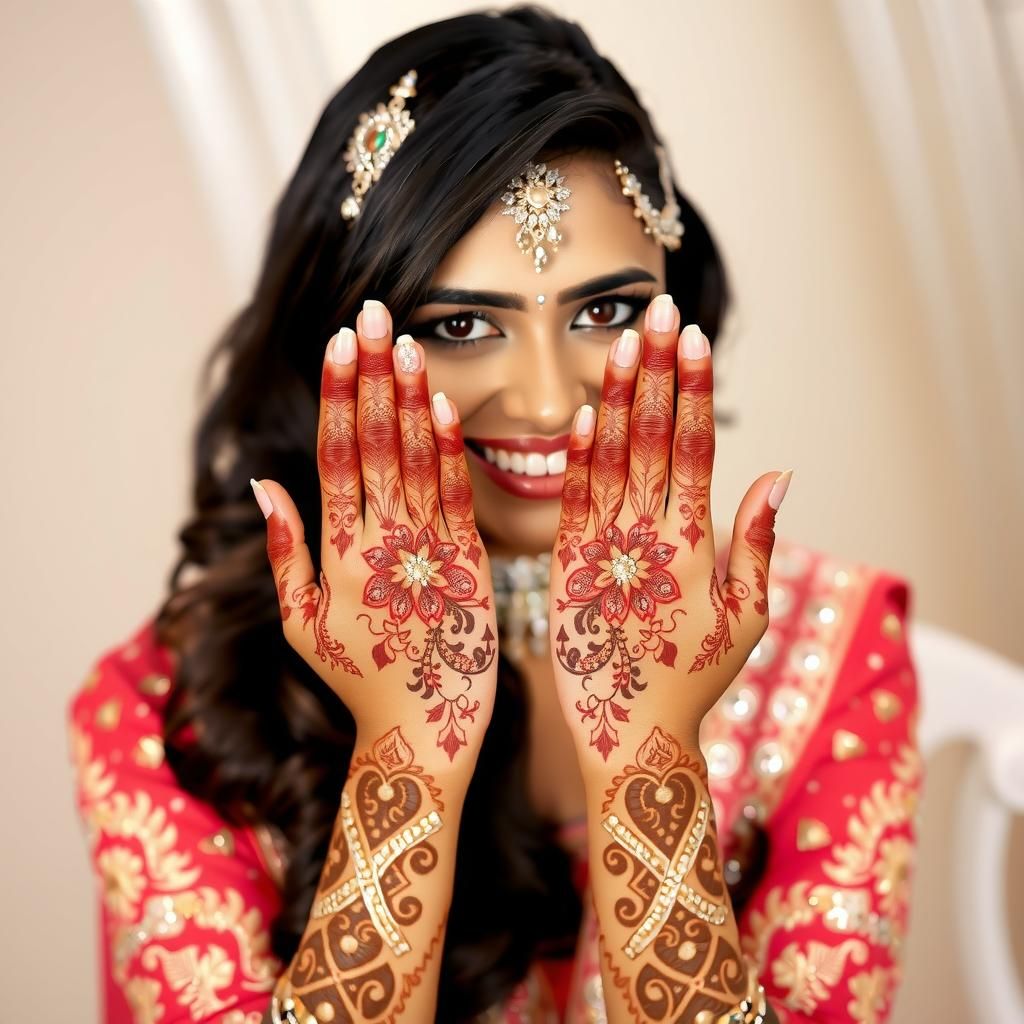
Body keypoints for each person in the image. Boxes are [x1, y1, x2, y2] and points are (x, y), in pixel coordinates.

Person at [69, 7, 921, 1022]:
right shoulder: (168, 710)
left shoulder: (832, 648)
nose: (551, 401)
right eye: (462, 324)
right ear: (336, 344)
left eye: (604, 312)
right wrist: (407, 752)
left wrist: (648, 746)